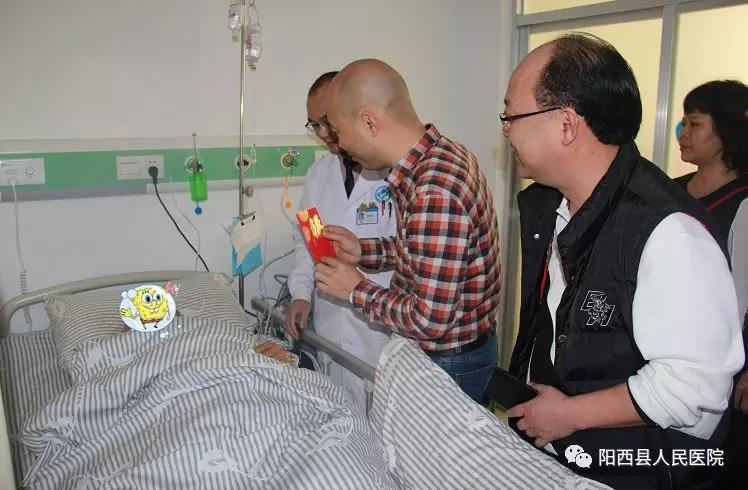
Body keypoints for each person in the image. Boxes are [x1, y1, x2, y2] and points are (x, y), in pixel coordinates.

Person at [503, 33, 744, 489]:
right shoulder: (551, 207)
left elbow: (691, 388)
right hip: (573, 457)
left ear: (566, 125)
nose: (506, 131)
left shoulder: (668, 232)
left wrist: (569, 414)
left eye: (511, 115)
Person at [313, 59, 502, 404]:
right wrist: (362, 250)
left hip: (450, 364)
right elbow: (424, 250)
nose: (340, 145)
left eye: (338, 132)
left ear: (369, 122)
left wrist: (355, 289)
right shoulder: (439, 157)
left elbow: (430, 321)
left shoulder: (434, 189)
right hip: (453, 351)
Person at [284, 71, 396, 409]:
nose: (323, 134)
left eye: (326, 122)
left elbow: (409, 253)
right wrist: (301, 294)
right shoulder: (319, 175)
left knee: (382, 420)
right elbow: (309, 241)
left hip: (380, 330)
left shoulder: (391, 173)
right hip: (330, 327)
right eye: (314, 125)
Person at [673, 79, 748, 486]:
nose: (683, 133)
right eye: (683, 122)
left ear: (725, 133)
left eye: (695, 123)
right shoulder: (670, 191)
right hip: (674, 347)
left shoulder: (743, 202)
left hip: (728, 358)